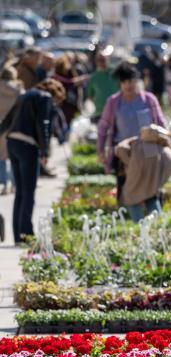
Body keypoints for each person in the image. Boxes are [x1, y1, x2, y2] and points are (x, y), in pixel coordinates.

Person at [0, 78, 65, 243]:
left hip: (13, 142)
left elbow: (8, 118)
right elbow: (44, 123)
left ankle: (18, 235)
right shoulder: (45, 97)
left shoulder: (25, 94)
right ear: (54, 93)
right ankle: (26, 233)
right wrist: (45, 151)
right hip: (28, 144)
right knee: (29, 192)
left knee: (20, 191)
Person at [97, 63, 167, 206]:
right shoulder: (113, 102)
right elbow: (103, 127)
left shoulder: (148, 100)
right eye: (124, 82)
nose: (128, 85)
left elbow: (161, 122)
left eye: (131, 81)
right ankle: (126, 212)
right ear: (120, 83)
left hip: (148, 151)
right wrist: (100, 150)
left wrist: (164, 138)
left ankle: (153, 213)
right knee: (125, 187)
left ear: (136, 81)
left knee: (151, 187)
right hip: (124, 152)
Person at [0, 65, 23, 195]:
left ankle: (2, 184)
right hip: (14, 125)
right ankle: (15, 184)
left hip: (0, 125)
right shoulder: (19, 90)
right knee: (14, 156)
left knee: (1, 157)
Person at [52, 55, 88, 130]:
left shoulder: (71, 71)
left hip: (71, 103)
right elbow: (68, 82)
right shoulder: (57, 74)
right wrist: (81, 79)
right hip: (64, 103)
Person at [87, 52, 117, 122]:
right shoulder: (94, 77)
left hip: (116, 112)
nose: (101, 62)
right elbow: (90, 95)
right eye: (99, 60)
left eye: (103, 60)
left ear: (108, 59)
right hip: (100, 113)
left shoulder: (116, 72)